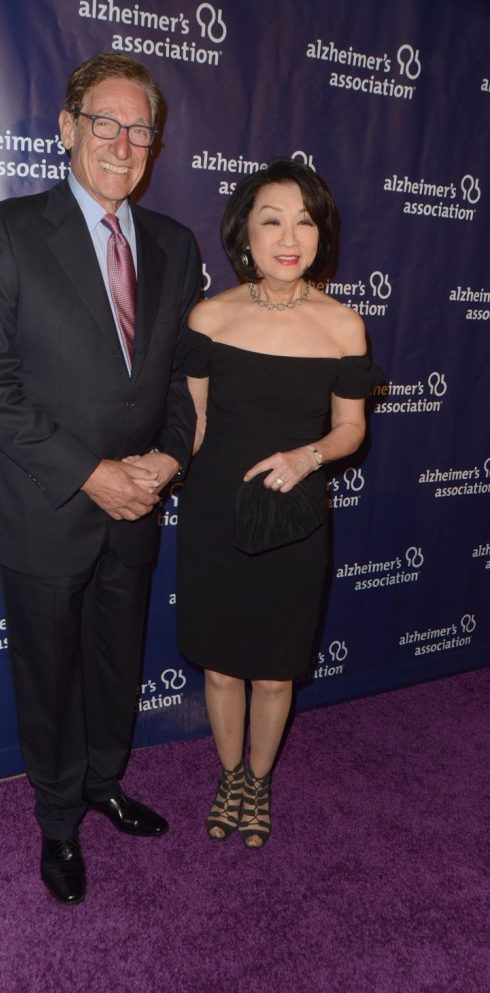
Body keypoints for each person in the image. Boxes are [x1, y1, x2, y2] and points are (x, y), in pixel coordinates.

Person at [0, 53, 201, 904]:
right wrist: (91, 473)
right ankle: (58, 821)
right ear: (67, 129)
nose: (123, 143)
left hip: (138, 504)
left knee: (114, 661)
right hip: (47, 505)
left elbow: (177, 383)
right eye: (106, 122)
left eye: (140, 129)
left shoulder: (175, 244)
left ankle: (104, 782)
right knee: (48, 675)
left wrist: (166, 463)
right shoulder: (9, 229)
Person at [176, 158, 380, 849]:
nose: (289, 236)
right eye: (272, 220)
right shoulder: (209, 317)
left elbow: (351, 428)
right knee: (221, 664)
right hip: (213, 515)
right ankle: (229, 773)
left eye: (304, 220)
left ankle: (258, 783)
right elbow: (194, 424)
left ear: (321, 233)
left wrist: (308, 455)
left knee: (272, 671)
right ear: (245, 235)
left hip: (295, 520)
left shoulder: (343, 327)